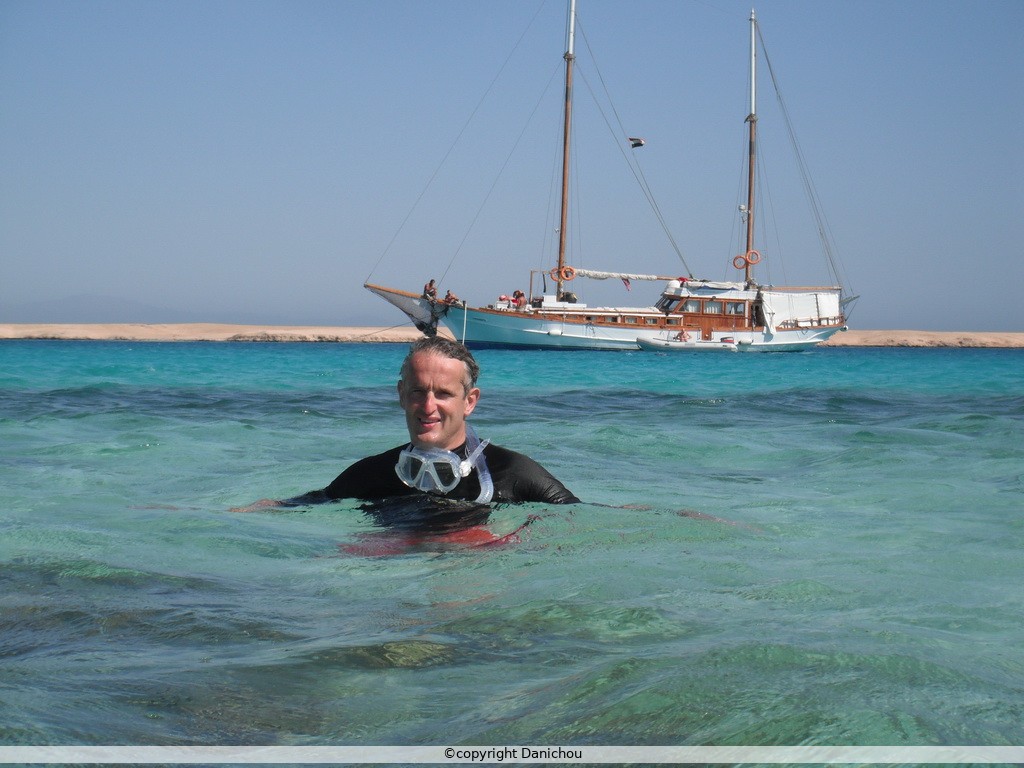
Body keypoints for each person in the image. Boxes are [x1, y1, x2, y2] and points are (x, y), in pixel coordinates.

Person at [232, 337, 579, 514]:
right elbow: (308, 503)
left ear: (469, 401)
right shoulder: (373, 474)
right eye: (418, 392)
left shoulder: (512, 473)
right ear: (401, 394)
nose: (428, 406)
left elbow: (582, 518)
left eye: (443, 393)